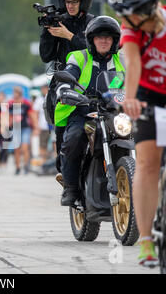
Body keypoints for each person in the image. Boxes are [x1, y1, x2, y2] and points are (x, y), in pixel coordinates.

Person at [109, 0, 166, 267]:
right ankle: (146, 239)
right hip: (148, 95)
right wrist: (129, 100)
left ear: (144, 11)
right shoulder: (131, 32)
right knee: (146, 163)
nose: (123, 20)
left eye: (127, 14)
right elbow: (133, 65)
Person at [54, 16, 125, 206]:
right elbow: (68, 74)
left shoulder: (122, 61)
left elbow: (137, 80)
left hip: (113, 112)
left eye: (108, 37)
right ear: (91, 40)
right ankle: (71, 187)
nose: (104, 41)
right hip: (82, 110)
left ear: (114, 41)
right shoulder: (79, 57)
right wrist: (64, 89)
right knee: (75, 137)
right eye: (99, 37)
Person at [39, 0, 95, 185]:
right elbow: (46, 56)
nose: (70, 6)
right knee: (62, 136)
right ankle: (67, 176)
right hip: (63, 82)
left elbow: (93, 51)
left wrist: (68, 35)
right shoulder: (59, 20)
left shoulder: (93, 22)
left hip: (91, 83)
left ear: (84, 1)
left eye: (74, 2)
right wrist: (47, 32)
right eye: (67, 2)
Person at [8, 87, 38, 175]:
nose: (15, 94)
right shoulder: (11, 103)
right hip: (15, 128)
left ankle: (26, 166)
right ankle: (17, 167)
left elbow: (32, 115)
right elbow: (8, 116)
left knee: (25, 148)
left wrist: (36, 127)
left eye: (16, 93)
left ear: (20, 93)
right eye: (14, 93)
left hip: (25, 128)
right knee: (16, 149)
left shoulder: (26, 103)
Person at [32, 82, 51, 167]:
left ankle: (53, 164)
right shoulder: (39, 100)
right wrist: (36, 126)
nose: (44, 91)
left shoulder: (52, 98)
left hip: (52, 126)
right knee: (43, 146)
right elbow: (35, 113)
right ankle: (43, 163)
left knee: (54, 144)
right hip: (43, 126)